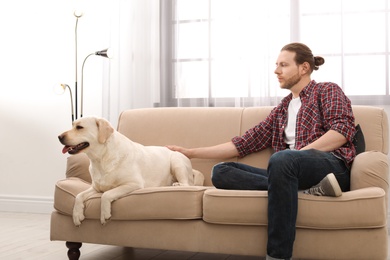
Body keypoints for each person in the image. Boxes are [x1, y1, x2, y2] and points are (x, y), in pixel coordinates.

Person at [167, 42, 356, 260]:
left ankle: (277, 256)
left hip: (330, 167)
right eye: (276, 65)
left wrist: (297, 154)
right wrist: (190, 152)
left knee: (282, 159)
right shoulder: (282, 110)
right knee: (221, 172)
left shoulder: (327, 90)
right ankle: (302, 191)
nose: (276, 71)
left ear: (304, 68)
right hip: (288, 172)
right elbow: (243, 143)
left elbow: (341, 132)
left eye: (283, 65)